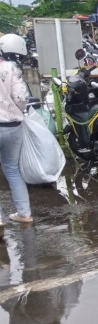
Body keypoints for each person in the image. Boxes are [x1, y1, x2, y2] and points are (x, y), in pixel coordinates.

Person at [0, 34, 34, 232]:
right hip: (12, 126)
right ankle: (24, 214)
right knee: (12, 170)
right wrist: (16, 110)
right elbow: (21, 97)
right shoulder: (11, 68)